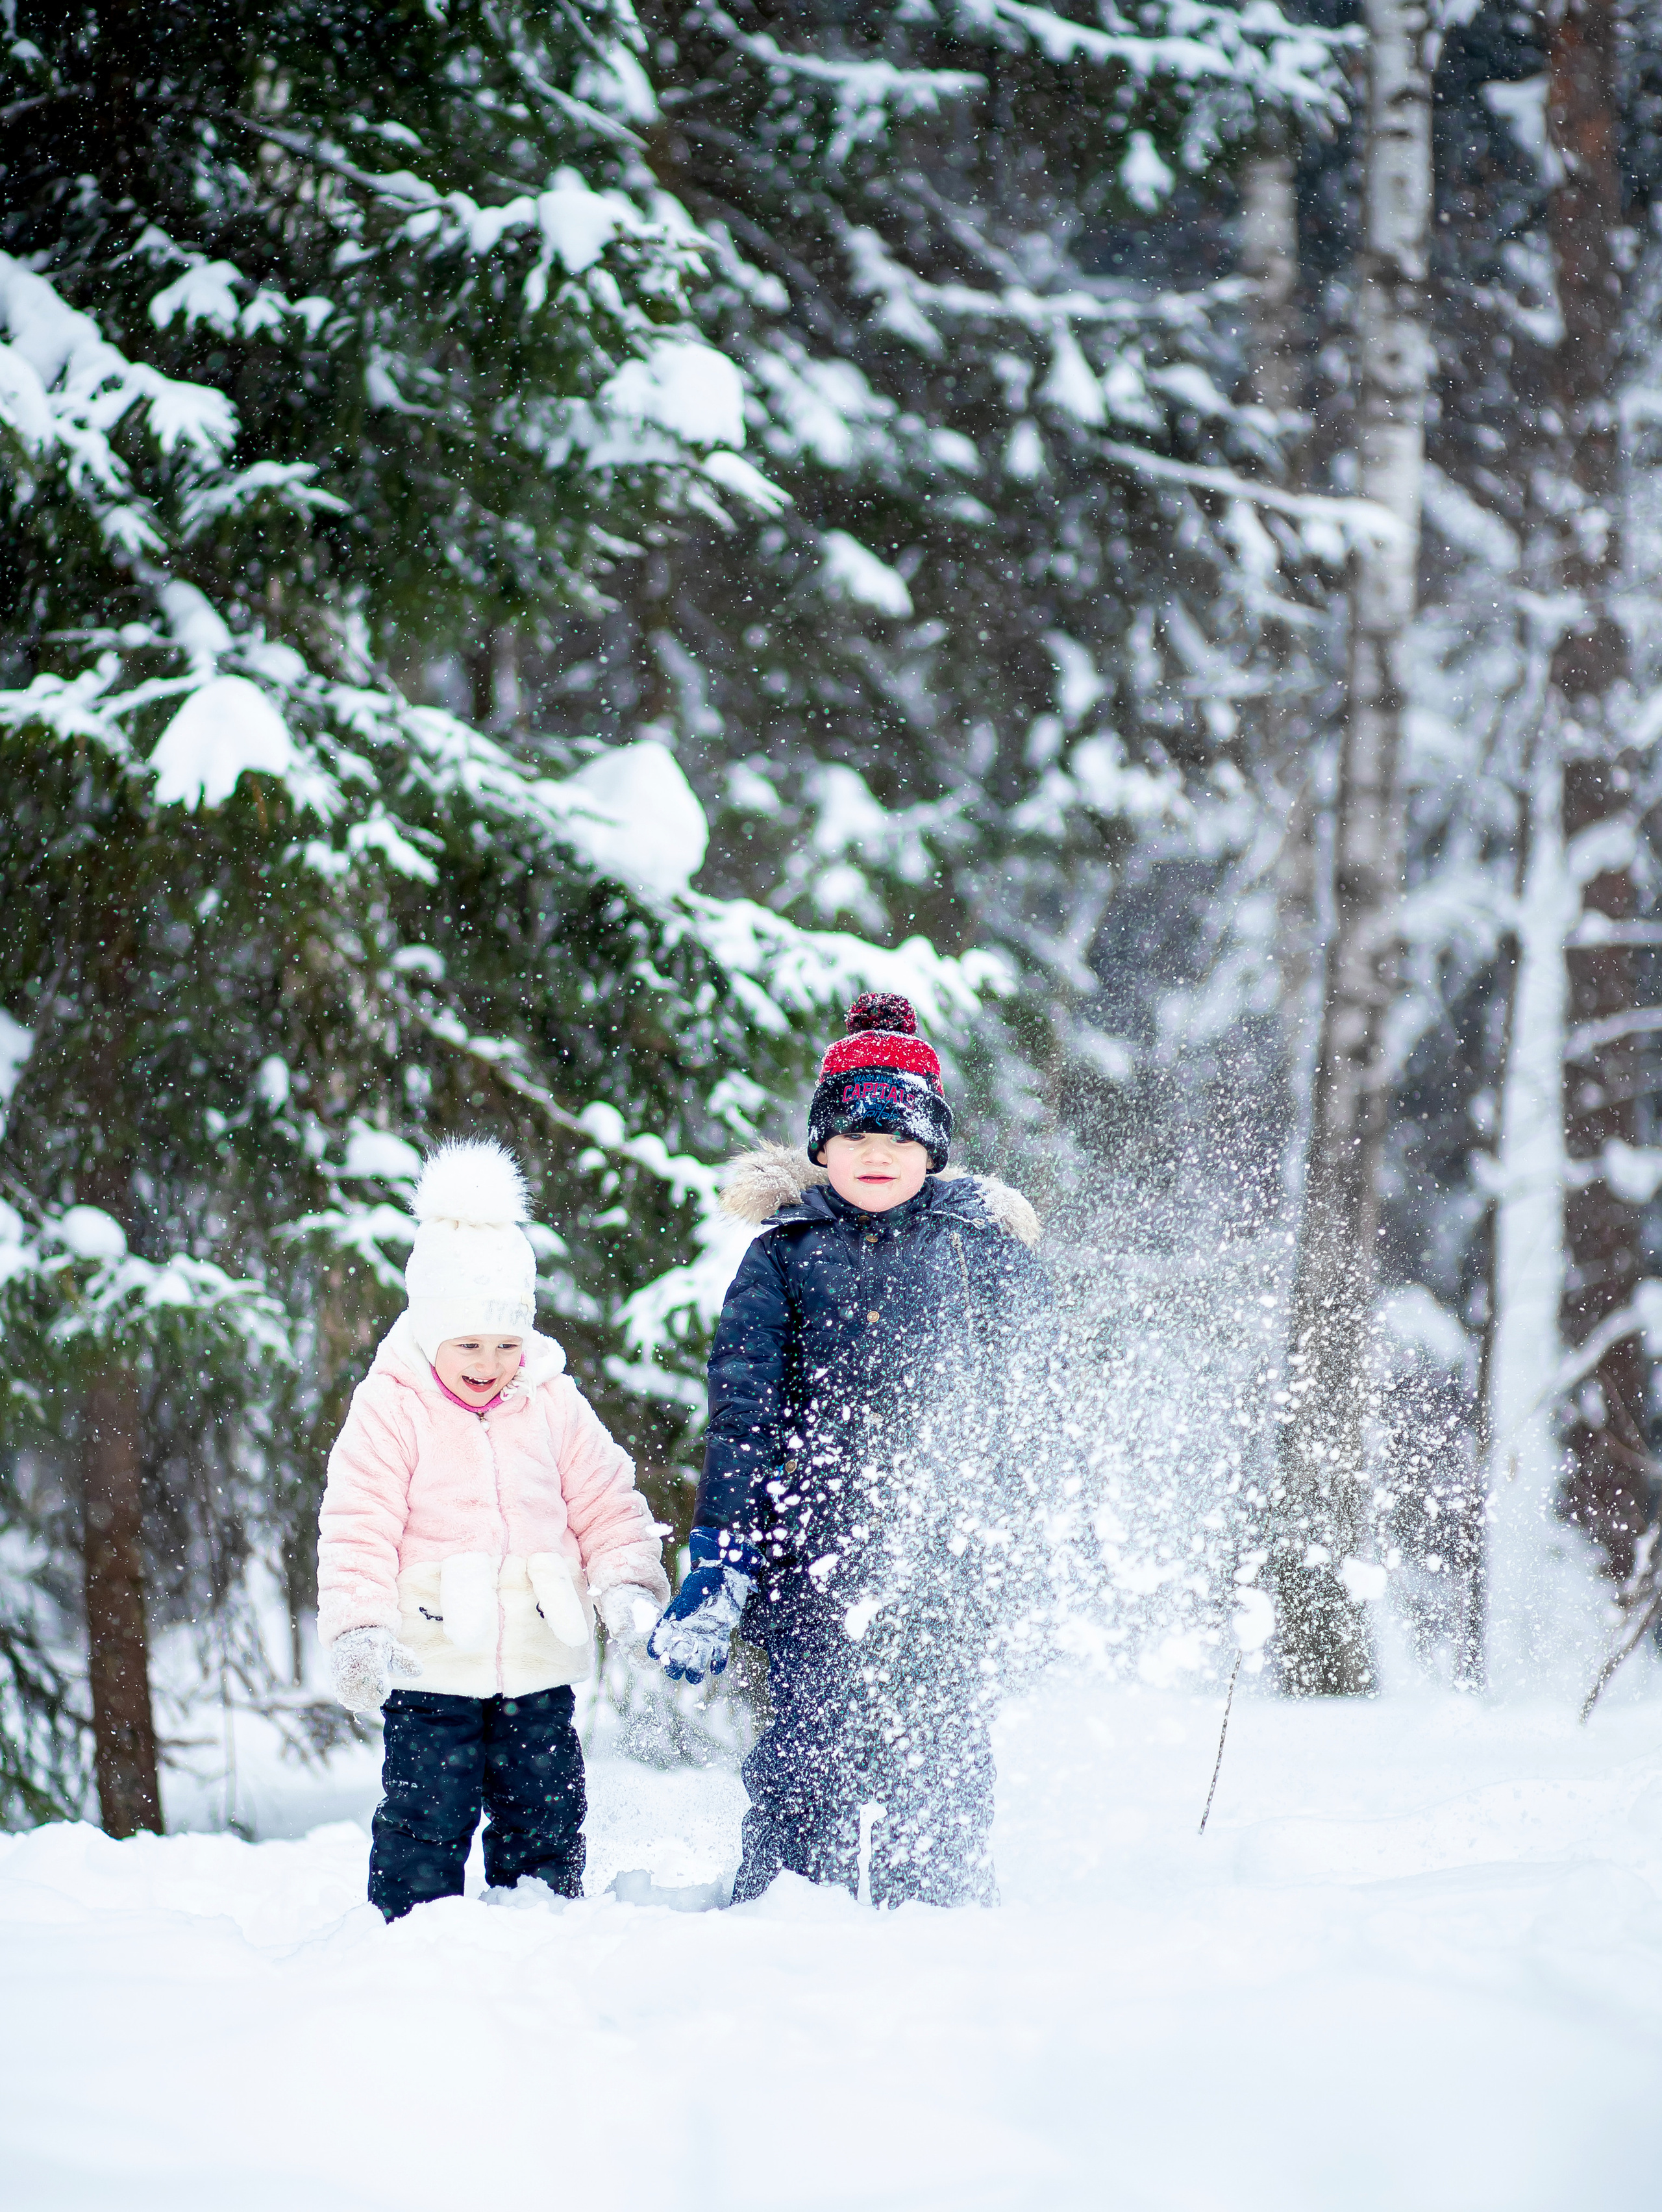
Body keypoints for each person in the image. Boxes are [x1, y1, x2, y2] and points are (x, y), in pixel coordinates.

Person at [649, 992, 1052, 1907]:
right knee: (806, 1745)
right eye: (858, 1133)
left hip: (943, 1552)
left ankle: (937, 1901)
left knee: (939, 1739)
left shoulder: (975, 1250)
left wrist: (1024, 1530)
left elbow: (1026, 1394)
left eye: (903, 1136)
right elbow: (742, 1415)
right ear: (821, 1148)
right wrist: (721, 1554)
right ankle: (789, 1899)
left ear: (934, 1151)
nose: (880, 1152)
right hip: (811, 1555)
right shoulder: (784, 1254)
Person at [317, 1138, 667, 1919]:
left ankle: (539, 1918)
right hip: (430, 1661)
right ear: (428, 1329)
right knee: (424, 1818)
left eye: (508, 1342)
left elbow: (606, 1498)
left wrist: (628, 1581)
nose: (490, 1361)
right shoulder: (392, 1405)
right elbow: (357, 1524)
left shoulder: (552, 1401)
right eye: (469, 1343)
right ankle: (412, 1932)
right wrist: (358, 1628)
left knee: (545, 1809)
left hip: (539, 1660)